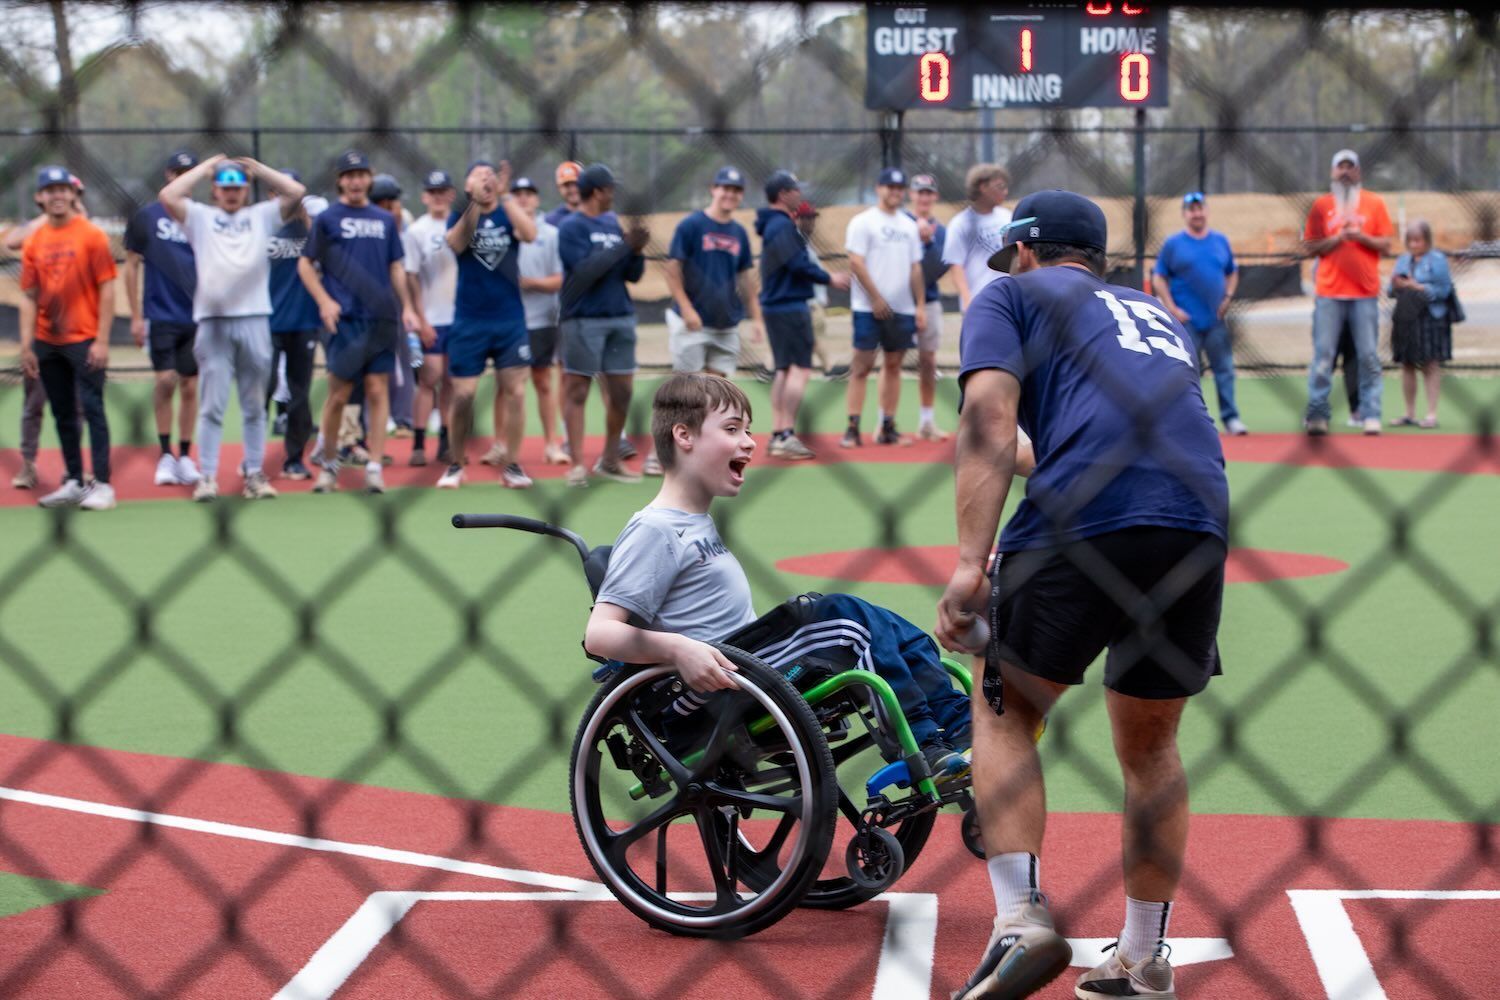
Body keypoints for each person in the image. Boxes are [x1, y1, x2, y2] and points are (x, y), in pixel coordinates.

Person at [935, 190, 1229, 1000]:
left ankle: (1019, 918)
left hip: (1086, 518)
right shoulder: (1157, 316)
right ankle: (1143, 956)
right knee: (1151, 748)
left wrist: (969, 565)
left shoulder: (1010, 295)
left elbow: (989, 420)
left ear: (1026, 251)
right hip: (1196, 519)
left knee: (1004, 709)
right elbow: (1104, 433)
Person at [584, 373, 972, 780]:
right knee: (846, 619)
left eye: (747, 430)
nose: (750, 442)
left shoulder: (694, 523)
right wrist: (681, 649)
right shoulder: (657, 529)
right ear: (684, 436)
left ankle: (962, 726)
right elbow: (600, 634)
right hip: (703, 691)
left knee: (892, 627)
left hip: (743, 666)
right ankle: (924, 744)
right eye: (732, 429)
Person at [161, 155, 305, 501]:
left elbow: (296, 191)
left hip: (254, 316)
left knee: (254, 404)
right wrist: (206, 168)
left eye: (238, 187)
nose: (231, 193)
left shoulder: (261, 216)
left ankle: (254, 474)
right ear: (215, 190)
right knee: (212, 404)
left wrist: (258, 168)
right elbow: (168, 196)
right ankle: (207, 477)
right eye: (225, 187)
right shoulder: (200, 217)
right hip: (212, 322)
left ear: (246, 190)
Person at [299, 149, 421, 494]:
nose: (355, 181)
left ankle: (373, 467)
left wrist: (407, 307)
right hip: (345, 320)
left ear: (369, 178)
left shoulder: (384, 221)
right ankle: (329, 465)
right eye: (349, 175)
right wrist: (324, 301)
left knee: (378, 390)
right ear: (340, 180)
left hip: (380, 318)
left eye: (361, 175)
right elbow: (306, 264)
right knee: (338, 395)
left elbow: (396, 266)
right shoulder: (328, 219)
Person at [18, 165, 118, 510]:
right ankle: (75, 480)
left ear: (74, 195)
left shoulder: (91, 235)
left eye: (64, 189)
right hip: (47, 341)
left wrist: (103, 340)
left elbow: (107, 288)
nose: (58, 195)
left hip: (85, 339)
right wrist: (27, 344)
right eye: (51, 190)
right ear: (40, 198)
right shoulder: (34, 240)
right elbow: (29, 296)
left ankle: (103, 484)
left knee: (93, 408)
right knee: (62, 413)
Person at [435, 159, 538, 490]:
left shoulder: (508, 211)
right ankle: (455, 463)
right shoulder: (461, 215)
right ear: (467, 186)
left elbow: (530, 233)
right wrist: (476, 205)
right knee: (463, 395)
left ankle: (512, 464)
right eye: (478, 176)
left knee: (516, 392)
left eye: (490, 175)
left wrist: (506, 196)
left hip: (509, 319)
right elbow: (456, 243)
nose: (485, 179)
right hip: (469, 320)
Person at [655, 165, 765, 472]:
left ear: (740, 195)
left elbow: (745, 278)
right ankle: (663, 453)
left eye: (735, 190)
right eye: (724, 188)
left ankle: (708, 455)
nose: (729, 194)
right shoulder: (692, 225)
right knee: (685, 395)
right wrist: (687, 308)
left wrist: (756, 318)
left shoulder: (738, 233)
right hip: (692, 323)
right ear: (713, 190)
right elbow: (673, 268)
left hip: (725, 323)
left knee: (719, 394)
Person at [557, 162, 648, 487]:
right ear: (597, 191)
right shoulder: (572, 227)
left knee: (622, 392)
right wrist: (625, 246)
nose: (614, 195)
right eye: (611, 188)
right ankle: (578, 464)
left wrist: (636, 251)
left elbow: (632, 275)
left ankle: (610, 459)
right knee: (578, 389)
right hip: (583, 318)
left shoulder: (612, 223)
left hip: (619, 315)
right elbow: (584, 272)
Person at [755, 170, 846, 459]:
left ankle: (779, 433)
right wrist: (829, 278)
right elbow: (797, 264)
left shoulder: (774, 225)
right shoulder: (782, 227)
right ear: (783, 194)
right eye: (795, 190)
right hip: (789, 305)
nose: (800, 195)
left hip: (778, 305)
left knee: (784, 369)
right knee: (800, 369)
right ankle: (785, 434)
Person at [124, 149, 202, 488]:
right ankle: (165, 455)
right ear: (168, 176)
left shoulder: (203, 217)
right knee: (165, 381)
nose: (183, 178)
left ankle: (185, 456)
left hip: (197, 316)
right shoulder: (147, 217)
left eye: (190, 173)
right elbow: (130, 265)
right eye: (177, 173)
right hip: (160, 314)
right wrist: (136, 316)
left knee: (190, 384)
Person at [1303, 148, 1392, 436]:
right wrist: (1337, 238)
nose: (1345, 172)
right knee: (1323, 356)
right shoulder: (1321, 206)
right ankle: (1317, 414)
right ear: (1332, 172)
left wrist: (1361, 237)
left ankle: (1370, 413)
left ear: (1358, 172)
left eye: (1350, 167)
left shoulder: (1374, 203)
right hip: (1329, 292)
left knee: (1368, 356)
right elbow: (1311, 246)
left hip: (1364, 293)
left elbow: (1387, 244)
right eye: (1340, 167)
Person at [843, 167, 926, 448]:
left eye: (899, 188)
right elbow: (856, 262)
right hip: (867, 307)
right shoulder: (863, 222)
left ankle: (887, 425)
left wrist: (920, 305)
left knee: (893, 365)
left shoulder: (909, 225)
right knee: (861, 366)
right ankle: (852, 427)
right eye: (890, 187)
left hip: (902, 308)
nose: (895, 192)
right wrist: (876, 298)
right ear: (879, 188)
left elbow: (916, 268)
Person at [1152, 191, 1246, 436]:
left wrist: (1227, 297)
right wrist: (1172, 308)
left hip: (1215, 320)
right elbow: (1159, 277)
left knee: (1224, 369)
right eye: (1191, 209)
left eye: (1200, 208)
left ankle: (1231, 418)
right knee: (1185, 372)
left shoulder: (1220, 241)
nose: (1197, 213)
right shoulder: (1174, 244)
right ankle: (1187, 420)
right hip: (1187, 322)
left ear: (1206, 211)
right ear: (1185, 214)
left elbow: (1232, 271)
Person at [266, 171, 328, 480]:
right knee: (261, 389)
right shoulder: (261, 225)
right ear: (270, 196)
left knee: (300, 393)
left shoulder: (310, 228)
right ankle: (254, 461)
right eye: (279, 193)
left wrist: (304, 217)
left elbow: (325, 254)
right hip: (265, 320)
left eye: (290, 194)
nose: (285, 200)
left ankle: (294, 458)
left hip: (303, 321)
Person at [513, 174, 570, 467]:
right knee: (508, 385)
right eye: (518, 193)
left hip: (543, 319)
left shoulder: (550, 233)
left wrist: (527, 283)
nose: (523, 198)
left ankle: (552, 443)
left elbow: (558, 280)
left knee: (542, 381)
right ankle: (503, 446)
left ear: (536, 198)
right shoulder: (502, 230)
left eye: (529, 192)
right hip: (509, 320)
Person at [402, 169, 458, 468]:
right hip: (432, 317)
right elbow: (410, 276)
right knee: (429, 378)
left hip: (459, 316)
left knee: (451, 381)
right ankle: (419, 443)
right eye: (432, 192)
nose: (438, 197)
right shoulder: (417, 231)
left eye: (443, 192)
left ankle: (447, 442)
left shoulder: (461, 225)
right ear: (425, 196)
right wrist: (420, 318)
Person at [1388, 220, 1454, 429]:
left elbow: (1444, 291)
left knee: (1430, 364)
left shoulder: (1437, 260)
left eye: (1418, 240)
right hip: (1406, 318)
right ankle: (1409, 413)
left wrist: (1419, 287)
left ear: (1427, 240)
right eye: (1411, 241)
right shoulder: (1403, 260)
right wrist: (1396, 285)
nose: (1414, 245)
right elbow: (1391, 290)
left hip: (1430, 318)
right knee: (1407, 364)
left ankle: (1431, 414)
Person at [908, 173, 950, 441]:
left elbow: (938, 268)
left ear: (935, 196)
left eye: (928, 192)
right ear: (911, 195)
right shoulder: (900, 224)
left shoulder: (941, 231)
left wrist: (927, 243)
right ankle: (884, 423)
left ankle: (926, 421)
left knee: (927, 361)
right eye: (919, 192)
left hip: (930, 301)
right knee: (888, 362)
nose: (924, 197)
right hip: (896, 303)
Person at [943, 164, 1013, 313]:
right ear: (983, 187)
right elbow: (956, 266)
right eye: (1000, 187)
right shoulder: (961, 223)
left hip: (1007, 299)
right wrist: (967, 299)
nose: (1005, 192)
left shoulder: (1007, 217)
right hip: (978, 301)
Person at [545, 160, 583, 226]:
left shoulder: (598, 216)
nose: (573, 189)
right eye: (567, 185)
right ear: (559, 188)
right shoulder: (551, 221)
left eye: (576, 183)